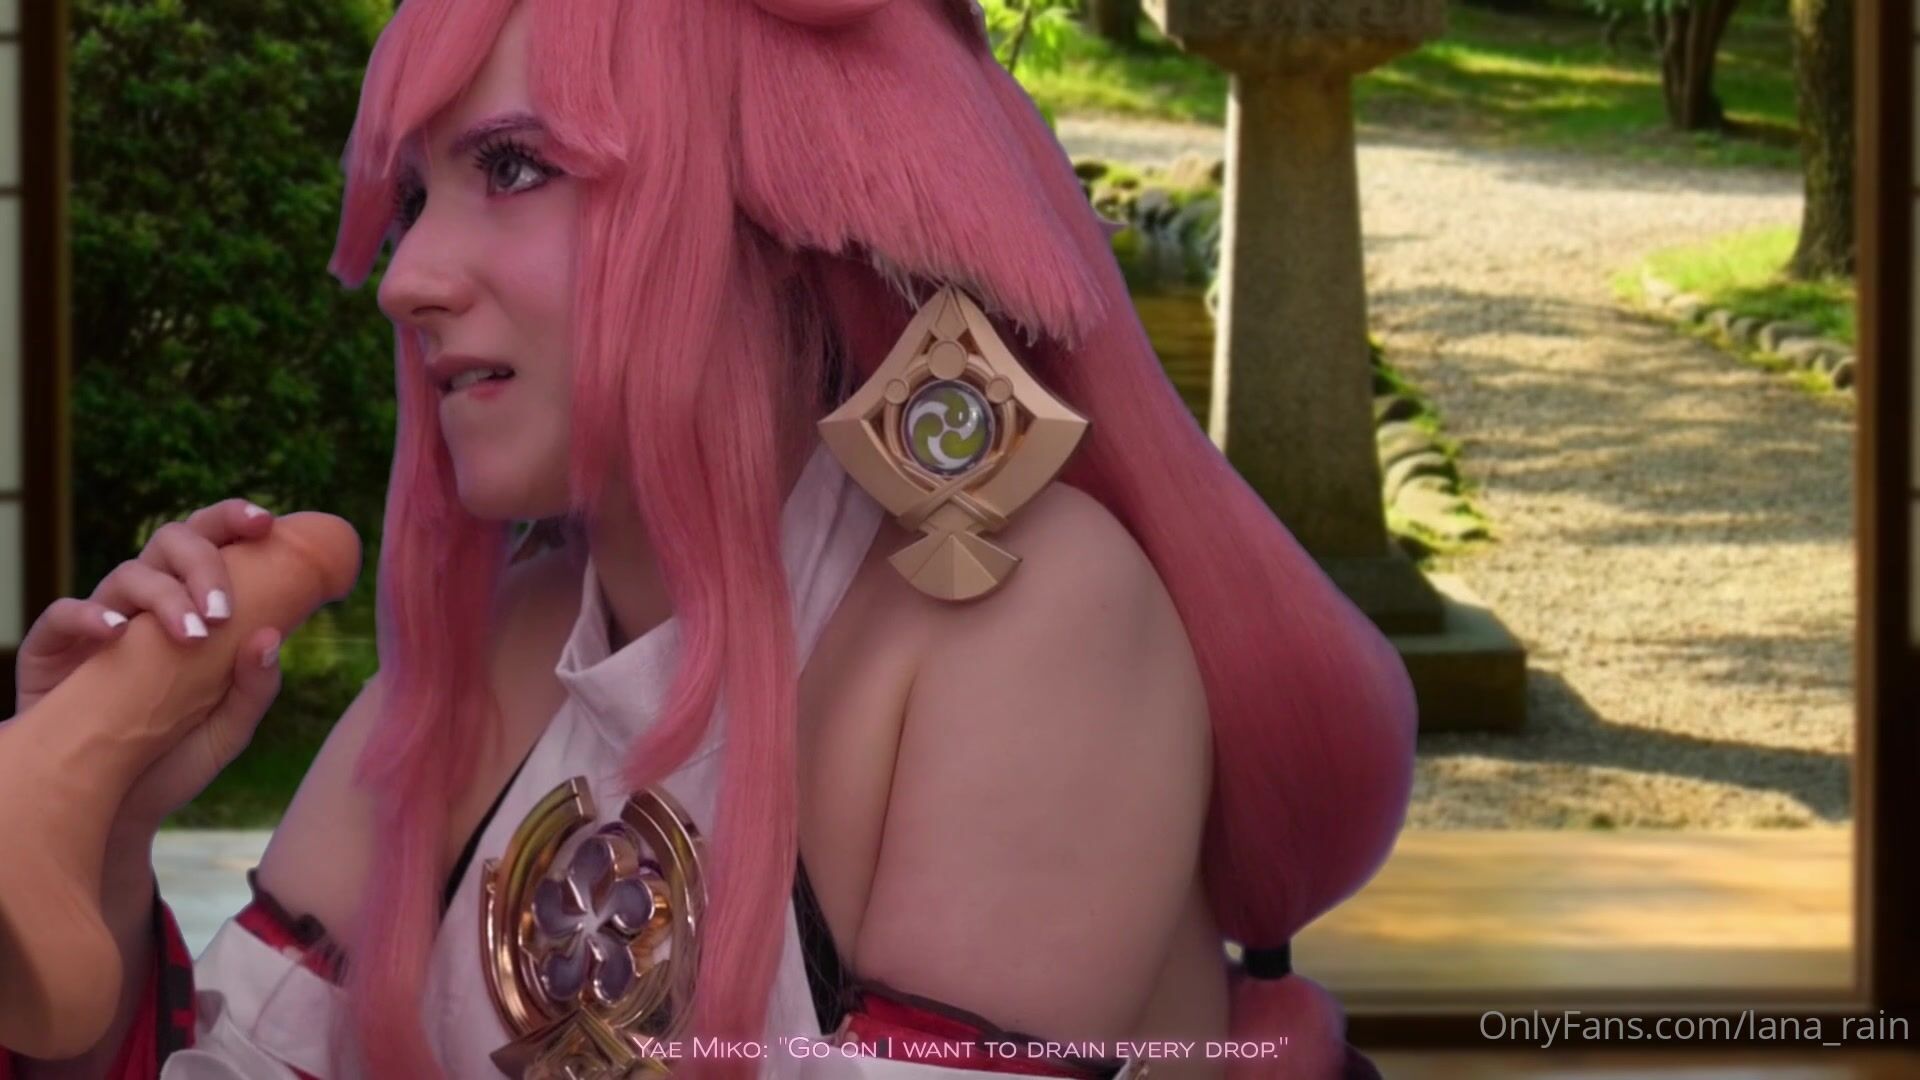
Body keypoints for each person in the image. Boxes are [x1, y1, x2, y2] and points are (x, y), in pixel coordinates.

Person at [4, 0, 1417, 1077]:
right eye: (417, 196)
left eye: (515, 167)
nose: (408, 278)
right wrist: (98, 842)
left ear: (767, 207)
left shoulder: (1025, 620)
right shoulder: (498, 648)